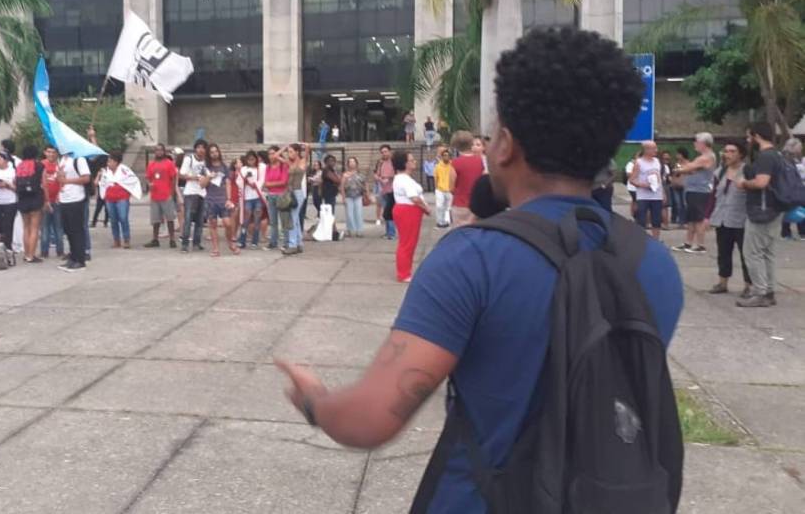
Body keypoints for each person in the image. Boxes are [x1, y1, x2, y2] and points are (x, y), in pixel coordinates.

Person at [275, 27, 683, 513]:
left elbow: (370, 419)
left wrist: (315, 401)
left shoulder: (473, 259)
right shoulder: (654, 263)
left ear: (506, 145)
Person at [735, 121, 784, 308]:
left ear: (757, 136)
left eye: (749, 137)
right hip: (775, 209)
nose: (748, 141)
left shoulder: (765, 157)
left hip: (761, 210)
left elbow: (762, 182)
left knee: (752, 252)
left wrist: (743, 183)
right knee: (768, 253)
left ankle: (760, 291)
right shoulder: (778, 155)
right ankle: (769, 291)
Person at [708, 140, 752, 296]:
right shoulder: (720, 171)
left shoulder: (748, 171)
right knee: (723, 252)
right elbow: (713, 195)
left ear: (741, 154)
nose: (728, 154)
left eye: (732, 151)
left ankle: (749, 285)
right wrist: (707, 216)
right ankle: (722, 282)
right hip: (722, 218)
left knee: (746, 254)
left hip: (741, 219)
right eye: (726, 151)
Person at [671, 133, 716, 253]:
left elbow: (687, 168)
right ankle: (688, 243)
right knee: (691, 218)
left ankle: (700, 245)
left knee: (698, 219)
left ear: (703, 143)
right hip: (692, 190)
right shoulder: (702, 157)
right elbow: (690, 169)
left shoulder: (706, 157)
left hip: (699, 191)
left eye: (696, 142)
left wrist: (680, 169)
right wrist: (686, 169)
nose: (694, 144)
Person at [391, 150, 430, 282]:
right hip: (408, 211)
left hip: (408, 210)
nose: (414, 162)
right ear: (405, 163)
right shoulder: (404, 179)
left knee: (408, 242)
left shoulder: (403, 178)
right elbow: (414, 198)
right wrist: (426, 208)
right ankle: (403, 273)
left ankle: (405, 271)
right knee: (407, 243)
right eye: (411, 160)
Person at [200, 144, 238, 257]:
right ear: (209, 154)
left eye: (216, 151)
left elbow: (228, 183)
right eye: (211, 152)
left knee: (228, 223)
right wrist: (209, 177)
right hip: (210, 200)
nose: (214, 154)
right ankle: (215, 248)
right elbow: (202, 185)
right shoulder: (205, 168)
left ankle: (230, 243)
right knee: (213, 224)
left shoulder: (224, 167)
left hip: (223, 200)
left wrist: (229, 199)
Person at [57, 148, 91, 272]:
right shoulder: (62, 159)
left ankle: (80, 260)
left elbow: (86, 178)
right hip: (64, 198)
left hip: (76, 198)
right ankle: (73, 257)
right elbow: (60, 178)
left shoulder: (79, 159)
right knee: (68, 230)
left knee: (76, 230)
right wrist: (60, 177)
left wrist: (67, 181)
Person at [99, 151, 141, 249]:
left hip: (122, 197)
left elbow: (132, 180)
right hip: (110, 198)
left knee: (123, 218)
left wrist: (120, 185)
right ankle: (116, 240)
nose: (108, 163)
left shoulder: (124, 170)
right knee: (113, 220)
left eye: (110, 161)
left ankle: (126, 239)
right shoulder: (106, 172)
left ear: (116, 162)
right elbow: (103, 183)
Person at [14, 145, 45, 263]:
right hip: (35, 198)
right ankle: (32, 255)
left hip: (22, 198)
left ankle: (26, 254)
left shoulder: (19, 166)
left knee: (26, 227)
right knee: (34, 228)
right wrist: (46, 199)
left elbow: (15, 182)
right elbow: (44, 183)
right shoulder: (39, 166)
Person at [144, 144, 179, 248]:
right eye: (157, 150)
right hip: (155, 196)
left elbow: (173, 178)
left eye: (161, 150)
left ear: (164, 151)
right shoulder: (151, 164)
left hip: (166, 195)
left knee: (170, 218)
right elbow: (147, 177)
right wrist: (149, 184)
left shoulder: (169, 163)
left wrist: (172, 193)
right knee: (156, 220)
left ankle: (172, 239)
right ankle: (155, 239)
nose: (159, 152)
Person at [629, 141, 665, 239]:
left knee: (656, 220)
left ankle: (656, 240)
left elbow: (659, 178)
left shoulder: (657, 161)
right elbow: (632, 180)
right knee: (641, 219)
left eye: (656, 148)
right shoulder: (639, 162)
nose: (656, 150)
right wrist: (644, 185)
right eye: (654, 148)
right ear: (646, 150)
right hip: (643, 196)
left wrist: (663, 193)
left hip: (656, 196)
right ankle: (641, 239)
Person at [449, 131, 485, 227]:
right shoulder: (480, 161)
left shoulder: (455, 163)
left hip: (460, 203)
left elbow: (451, 187)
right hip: (476, 203)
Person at [179, 139, 209, 253]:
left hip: (202, 192)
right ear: (195, 148)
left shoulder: (206, 161)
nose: (201, 150)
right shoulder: (189, 159)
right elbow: (181, 174)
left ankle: (197, 243)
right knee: (188, 219)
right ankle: (185, 243)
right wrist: (194, 177)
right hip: (190, 192)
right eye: (199, 147)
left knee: (200, 220)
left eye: (203, 148)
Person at [237, 149, 266, 249]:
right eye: (249, 159)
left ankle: (255, 241)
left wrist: (256, 185)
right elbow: (239, 181)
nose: (251, 161)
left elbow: (262, 180)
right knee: (246, 219)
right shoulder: (243, 169)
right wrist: (245, 181)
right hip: (248, 197)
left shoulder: (260, 168)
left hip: (258, 196)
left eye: (253, 159)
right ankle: (242, 240)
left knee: (257, 218)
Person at [40, 145, 65, 259]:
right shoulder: (41, 165)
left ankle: (60, 251)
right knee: (44, 227)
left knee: (58, 227)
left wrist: (60, 195)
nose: (51, 154)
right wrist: (44, 200)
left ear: (57, 154)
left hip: (57, 200)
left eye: (53, 152)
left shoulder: (61, 165)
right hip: (44, 201)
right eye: (49, 152)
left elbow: (63, 182)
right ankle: (44, 251)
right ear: (45, 152)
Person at [282, 143, 307, 255]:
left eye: (291, 151)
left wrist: (305, 145)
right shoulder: (290, 163)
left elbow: (307, 150)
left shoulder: (302, 161)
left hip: (298, 192)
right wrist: (285, 147)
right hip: (290, 192)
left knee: (292, 219)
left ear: (297, 152)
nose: (289, 154)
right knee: (295, 219)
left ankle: (293, 245)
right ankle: (299, 243)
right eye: (289, 152)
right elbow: (276, 156)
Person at [263, 145, 289, 250]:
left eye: (273, 153)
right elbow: (265, 182)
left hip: (281, 195)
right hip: (271, 195)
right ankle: (273, 242)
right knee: (273, 221)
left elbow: (284, 182)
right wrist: (270, 184)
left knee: (284, 221)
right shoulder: (268, 167)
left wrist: (270, 184)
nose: (271, 156)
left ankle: (286, 242)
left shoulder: (283, 166)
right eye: (269, 154)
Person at [781, 138, 805, 241]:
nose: (801, 150)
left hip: (796, 189)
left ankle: (799, 232)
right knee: (788, 210)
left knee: (797, 209)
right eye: (799, 147)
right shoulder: (785, 159)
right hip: (789, 190)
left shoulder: (793, 159)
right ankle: (786, 233)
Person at [341, 156, 367, 238]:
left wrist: (367, 194)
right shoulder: (345, 175)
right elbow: (342, 186)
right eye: (350, 162)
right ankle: (350, 229)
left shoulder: (360, 174)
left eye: (353, 162)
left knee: (358, 213)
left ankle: (359, 230)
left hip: (358, 196)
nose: (352, 163)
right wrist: (343, 197)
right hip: (348, 196)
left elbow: (365, 184)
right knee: (349, 214)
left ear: (356, 163)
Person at [374, 144, 396, 239]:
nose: (384, 154)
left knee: (389, 212)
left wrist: (389, 178)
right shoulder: (381, 163)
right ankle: (388, 232)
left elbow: (397, 174)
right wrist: (379, 179)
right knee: (386, 212)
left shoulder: (394, 162)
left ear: (390, 151)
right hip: (383, 190)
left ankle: (391, 233)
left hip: (392, 190)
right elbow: (376, 174)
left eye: (386, 151)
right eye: (382, 152)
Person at [319, 154, 341, 240]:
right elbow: (337, 180)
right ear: (326, 162)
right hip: (328, 193)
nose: (332, 163)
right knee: (330, 212)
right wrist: (337, 178)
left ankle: (333, 231)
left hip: (332, 193)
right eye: (330, 161)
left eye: (333, 161)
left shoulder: (332, 170)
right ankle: (333, 231)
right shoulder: (326, 170)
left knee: (331, 212)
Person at [433, 147, 454, 228]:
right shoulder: (438, 166)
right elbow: (436, 178)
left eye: (447, 155)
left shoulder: (452, 165)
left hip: (449, 190)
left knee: (448, 207)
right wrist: (436, 188)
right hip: (440, 189)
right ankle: (439, 222)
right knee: (439, 206)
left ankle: (447, 222)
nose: (446, 157)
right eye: (444, 155)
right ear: (442, 157)